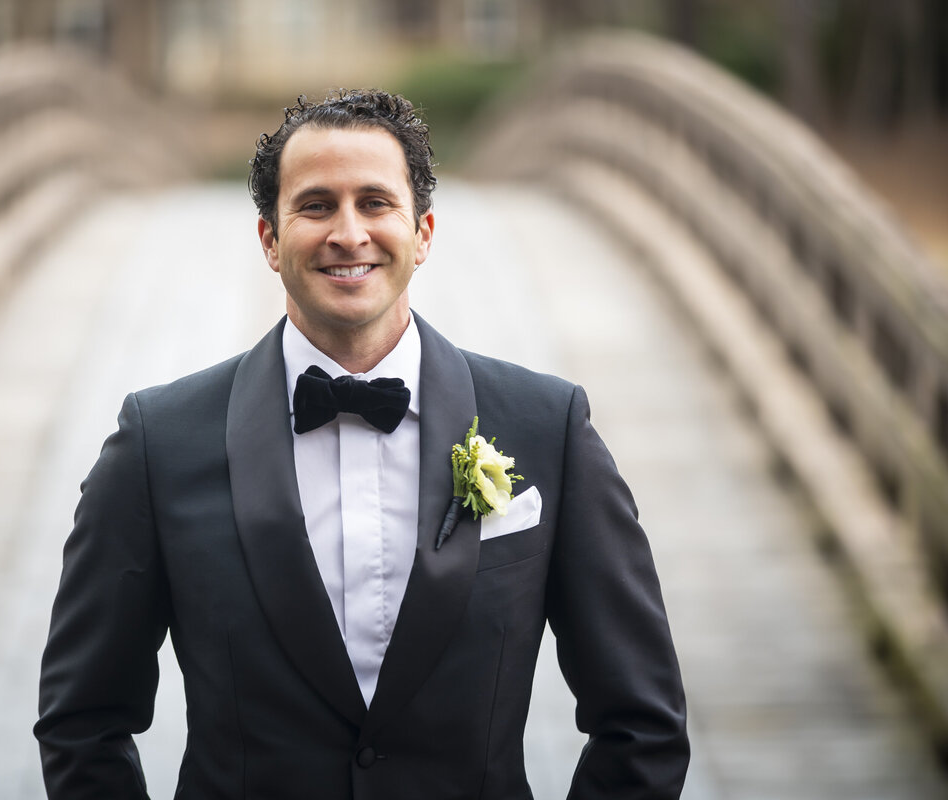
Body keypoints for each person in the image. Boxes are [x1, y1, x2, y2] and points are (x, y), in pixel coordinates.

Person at [35, 89, 689, 799]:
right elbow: (82, 722)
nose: (348, 233)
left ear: (424, 232)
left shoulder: (546, 426)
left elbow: (642, 723)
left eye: (375, 203)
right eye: (316, 206)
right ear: (269, 240)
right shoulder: (157, 442)